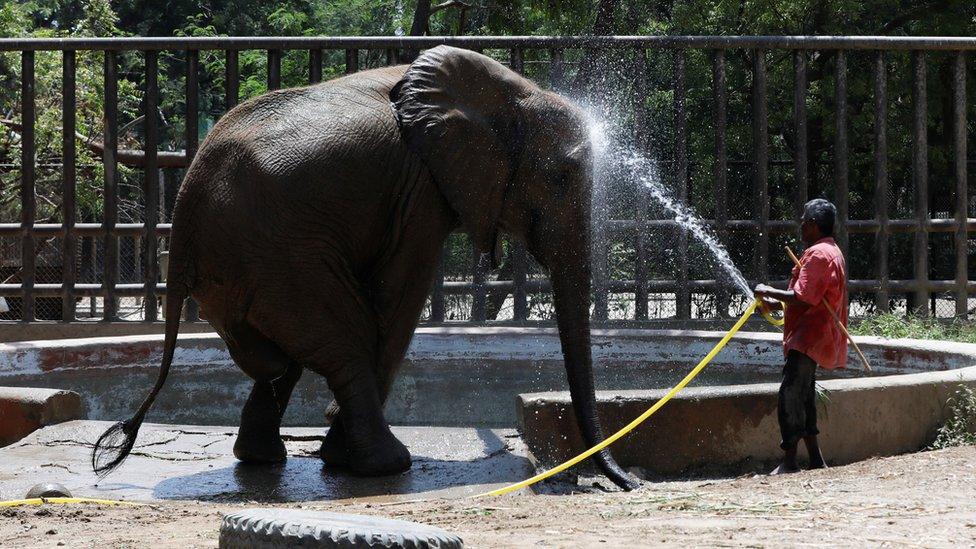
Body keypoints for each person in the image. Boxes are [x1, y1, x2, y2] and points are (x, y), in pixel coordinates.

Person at [754, 198, 848, 474]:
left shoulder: (819, 254)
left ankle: (790, 461)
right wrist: (773, 303)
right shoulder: (829, 251)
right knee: (804, 395)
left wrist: (767, 290)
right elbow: (806, 298)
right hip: (813, 334)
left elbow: (803, 298)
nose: (801, 225)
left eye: (805, 221)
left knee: (790, 395)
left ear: (814, 225)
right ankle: (816, 460)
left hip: (809, 336)